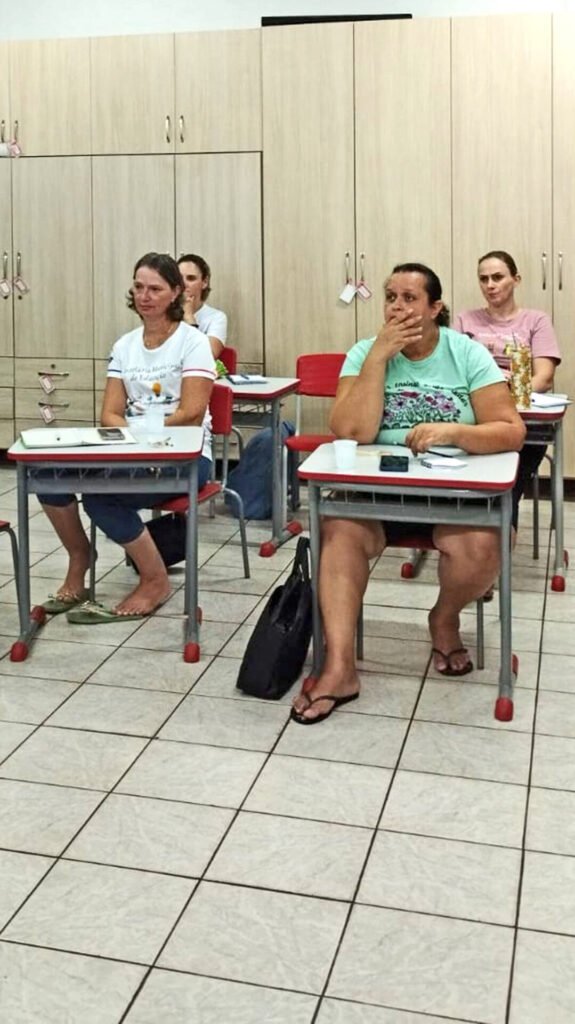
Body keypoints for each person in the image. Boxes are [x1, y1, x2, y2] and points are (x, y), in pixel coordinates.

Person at [291, 262, 525, 724]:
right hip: (378, 492)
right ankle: (339, 666)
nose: (397, 308)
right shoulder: (364, 352)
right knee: (337, 533)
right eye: (390, 297)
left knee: (484, 544)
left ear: (435, 308)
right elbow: (351, 432)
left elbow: (510, 430)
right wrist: (378, 359)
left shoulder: (466, 353)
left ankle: (444, 617)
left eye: (410, 298)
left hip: (450, 491)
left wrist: (454, 431)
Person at [39, 252, 215, 620]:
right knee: (47, 477)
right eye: (138, 287)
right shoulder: (125, 346)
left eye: (155, 289)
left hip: (186, 456)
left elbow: (192, 413)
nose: (144, 296)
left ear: (176, 293)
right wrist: (135, 437)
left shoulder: (193, 342)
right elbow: (109, 414)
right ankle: (80, 556)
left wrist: (140, 431)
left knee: (102, 500)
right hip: (131, 451)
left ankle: (155, 579)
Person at [454, 250, 561, 530]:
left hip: (523, 421)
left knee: (508, 478)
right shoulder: (465, 320)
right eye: (484, 279)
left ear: (516, 279)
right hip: (474, 417)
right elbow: (452, 372)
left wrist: (501, 397)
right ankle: (468, 531)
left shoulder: (536, 320)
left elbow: (544, 378)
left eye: (498, 277)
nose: (490, 285)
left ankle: (499, 534)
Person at [177, 253, 228, 360]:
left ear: (204, 282)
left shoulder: (216, 317)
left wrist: (189, 317)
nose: (184, 284)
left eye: (191, 278)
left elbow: (207, 356)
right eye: (179, 278)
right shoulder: (165, 314)